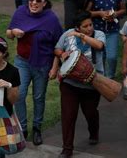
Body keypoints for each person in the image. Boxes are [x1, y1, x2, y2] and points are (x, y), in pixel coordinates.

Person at [6, 0, 62, 145]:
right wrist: (14, 32)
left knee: (39, 97)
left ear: (44, 3)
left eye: (38, 0)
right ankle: (22, 129)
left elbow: (59, 44)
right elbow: (9, 33)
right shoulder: (20, 12)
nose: (34, 3)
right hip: (22, 61)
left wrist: (54, 67)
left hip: (42, 64)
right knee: (19, 94)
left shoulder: (51, 19)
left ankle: (37, 128)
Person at [50, 11, 105, 158]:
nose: (89, 28)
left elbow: (99, 46)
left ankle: (94, 132)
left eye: (90, 25)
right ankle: (67, 149)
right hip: (70, 83)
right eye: (85, 26)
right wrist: (62, 54)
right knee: (68, 116)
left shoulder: (98, 34)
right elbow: (57, 48)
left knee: (91, 113)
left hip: (92, 83)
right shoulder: (68, 34)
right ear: (77, 27)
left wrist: (81, 35)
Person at [85, 0, 125, 79]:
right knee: (100, 56)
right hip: (98, 31)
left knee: (112, 56)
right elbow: (87, 13)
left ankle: (110, 76)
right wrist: (99, 13)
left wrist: (115, 14)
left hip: (112, 31)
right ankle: (100, 77)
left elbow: (123, 9)